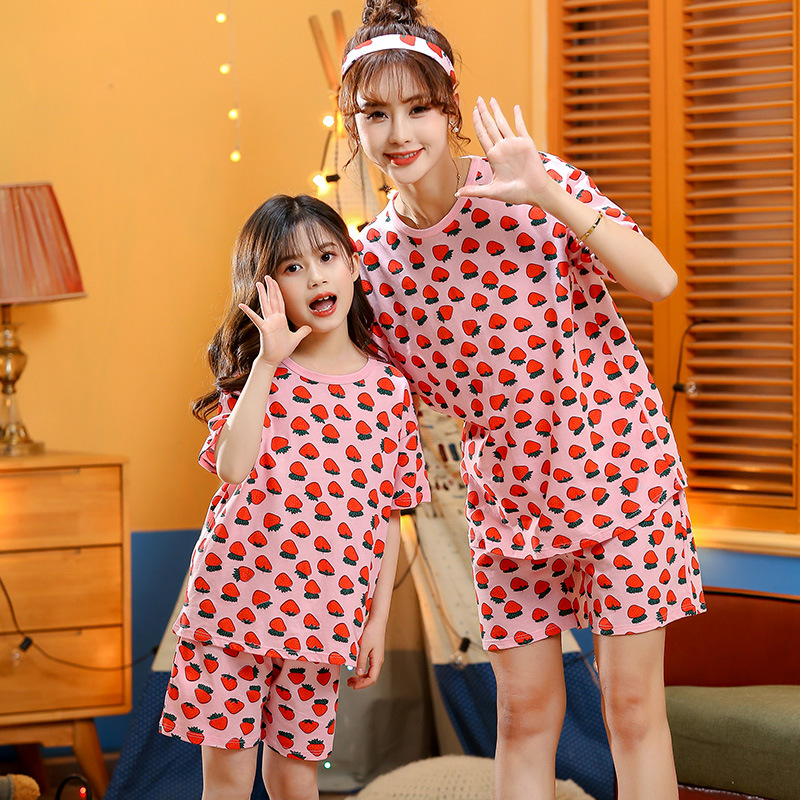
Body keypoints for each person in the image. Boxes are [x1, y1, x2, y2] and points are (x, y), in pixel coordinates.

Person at [338, 3, 705, 799]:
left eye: (418, 108)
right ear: (353, 124)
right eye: (375, 114)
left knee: (631, 708)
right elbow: (371, 432)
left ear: (450, 110)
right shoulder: (370, 265)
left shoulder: (528, 183)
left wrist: (549, 194)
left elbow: (659, 280)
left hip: (617, 470)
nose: (398, 133)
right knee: (524, 712)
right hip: (506, 498)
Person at [159, 194, 429, 800]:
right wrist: (265, 365)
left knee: (295, 778)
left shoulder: (389, 390)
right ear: (268, 288)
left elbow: (389, 518)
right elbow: (232, 468)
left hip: (323, 618)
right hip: (232, 608)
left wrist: (376, 622)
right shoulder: (261, 375)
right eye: (292, 266)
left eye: (327, 257)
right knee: (228, 778)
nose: (315, 277)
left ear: (353, 263)